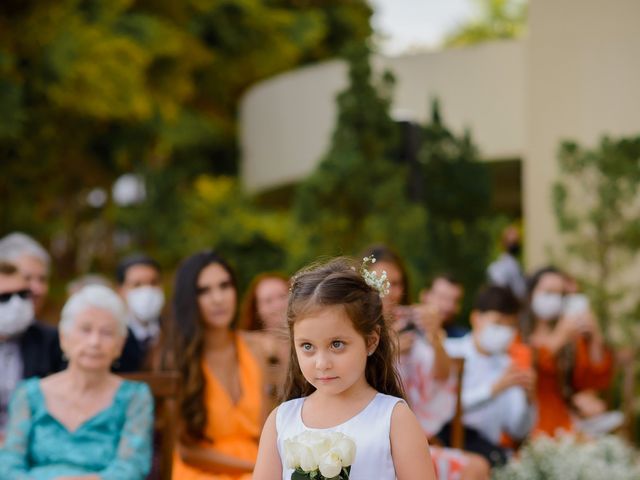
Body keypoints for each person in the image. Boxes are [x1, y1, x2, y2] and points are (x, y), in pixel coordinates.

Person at [253, 257, 436, 480]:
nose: (322, 363)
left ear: (371, 341)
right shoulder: (281, 421)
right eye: (307, 346)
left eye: (337, 344)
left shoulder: (394, 419)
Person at [0, 284, 153, 479]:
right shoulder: (29, 394)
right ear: (64, 337)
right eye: (85, 330)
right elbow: (8, 466)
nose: (94, 342)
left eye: (106, 332)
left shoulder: (135, 396)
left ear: (120, 344)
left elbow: (132, 467)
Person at [363, 246, 490, 480]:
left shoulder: (413, 324)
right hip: (372, 438)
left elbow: (443, 377)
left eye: (397, 283)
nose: (390, 291)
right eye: (380, 282)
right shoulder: (356, 331)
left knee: (477, 467)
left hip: (417, 436)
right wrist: (389, 348)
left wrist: (434, 335)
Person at [171, 250, 267, 479]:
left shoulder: (256, 348)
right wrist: (253, 467)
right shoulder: (178, 359)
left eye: (225, 286)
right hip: (201, 472)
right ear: (189, 300)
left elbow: (267, 430)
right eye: (204, 291)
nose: (218, 298)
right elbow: (187, 452)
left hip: (257, 468)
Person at [444, 285, 536, 466]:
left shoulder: (508, 366)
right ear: (476, 318)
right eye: (498, 323)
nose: (504, 332)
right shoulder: (449, 352)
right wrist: (493, 389)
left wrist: (529, 400)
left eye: (511, 326)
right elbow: (443, 407)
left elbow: (518, 430)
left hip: (488, 455)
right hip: (447, 449)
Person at [525, 266, 613, 437]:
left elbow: (593, 380)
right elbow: (528, 366)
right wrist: (560, 336)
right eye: (548, 292)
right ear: (530, 295)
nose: (554, 299)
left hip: (566, 420)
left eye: (560, 294)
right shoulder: (518, 333)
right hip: (531, 424)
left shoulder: (570, 337)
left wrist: (595, 337)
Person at [0, 262, 63, 439]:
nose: (16, 303)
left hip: (35, 441)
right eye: (4, 297)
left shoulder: (51, 340)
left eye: (23, 294)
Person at [239, 272, 290, 410]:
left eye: (282, 296)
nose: (278, 305)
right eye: (268, 301)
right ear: (257, 309)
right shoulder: (248, 345)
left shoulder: (312, 340)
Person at [115, 254, 166, 372]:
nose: (147, 291)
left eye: (153, 283)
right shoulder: (112, 335)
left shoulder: (176, 331)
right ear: (120, 290)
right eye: (137, 285)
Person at [487, 224, 527, 302]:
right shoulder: (497, 267)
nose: (514, 244)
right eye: (511, 242)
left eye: (515, 241)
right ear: (503, 243)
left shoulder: (515, 264)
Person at [420, 273, 468, 338]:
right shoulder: (404, 328)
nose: (448, 307)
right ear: (424, 296)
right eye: (442, 297)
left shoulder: (464, 339)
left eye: (455, 301)